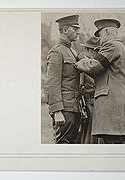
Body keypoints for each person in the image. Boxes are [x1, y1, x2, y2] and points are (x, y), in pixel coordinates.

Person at [75, 19, 125, 144]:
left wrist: (80, 62)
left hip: (113, 106)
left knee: (114, 146)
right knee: (117, 145)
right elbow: (101, 73)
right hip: (118, 105)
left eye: (99, 36)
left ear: (106, 31)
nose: (99, 40)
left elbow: (96, 65)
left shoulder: (111, 45)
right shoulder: (120, 47)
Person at [44, 15, 81, 144]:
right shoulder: (56, 52)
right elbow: (51, 84)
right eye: (75, 28)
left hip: (75, 107)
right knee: (63, 144)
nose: (78, 31)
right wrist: (57, 111)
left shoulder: (73, 51)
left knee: (74, 144)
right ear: (65, 30)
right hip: (65, 109)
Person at [77, 37, 100, 144]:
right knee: (89, 135)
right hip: (88, 103)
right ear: (86, 50)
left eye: (98, 50)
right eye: (94, 50)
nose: (96, 53)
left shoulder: (95, 64)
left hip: (97, 103)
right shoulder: (82, 63)